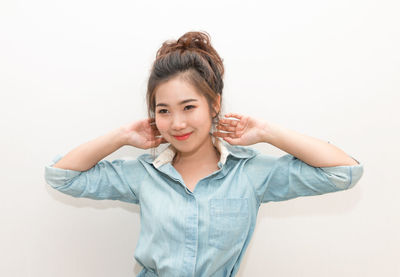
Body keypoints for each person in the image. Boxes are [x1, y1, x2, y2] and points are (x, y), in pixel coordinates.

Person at [44, 31, 364, 277]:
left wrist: (268, 132)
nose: (177, 123)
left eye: (188, 107)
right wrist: (122, 136)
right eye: (164, 110)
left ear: (214, 105)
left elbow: (343, 172)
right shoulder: (144, 173)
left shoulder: (250, 173)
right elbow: (62, 176)